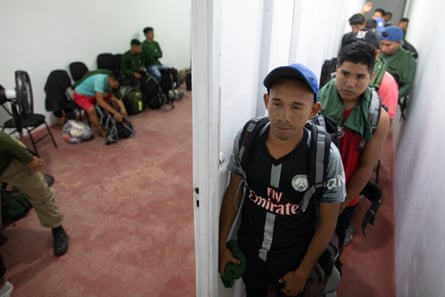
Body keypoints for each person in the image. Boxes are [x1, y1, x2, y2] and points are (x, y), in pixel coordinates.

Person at [219, 63, 346, 297]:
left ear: (314, 110)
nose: (284, 117)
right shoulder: (248, 138)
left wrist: (302, 272)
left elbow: (329, 222)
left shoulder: (324, 156)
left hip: (294, 258)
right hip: (250, 251)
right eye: (277, 103)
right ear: (266, 101)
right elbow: (234, 191)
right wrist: (221, 245)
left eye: (297, 106)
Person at [319, 41, 390, 255]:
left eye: (360, 77)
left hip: (345, 195)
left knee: (330, 247)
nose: (350, 83)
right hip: (309, 190)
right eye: (345, 73)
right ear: (336, 70)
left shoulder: (378, 116)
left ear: (371, 77)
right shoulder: (316, 100)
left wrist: (340, 205)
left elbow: (366, 166)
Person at [0, 131, 69, 257]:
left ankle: (57, 228)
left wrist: (28, 158)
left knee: (39, 194)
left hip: (9, 160)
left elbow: (4, 139)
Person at [342, 29, 399, 119]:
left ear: (377, 54)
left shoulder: (386, 82)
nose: (356, 52)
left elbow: (385, 119)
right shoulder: (338, 71)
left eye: (363, 50)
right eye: (353, 47)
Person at [72, 71, 127, 137]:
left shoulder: (111, 80)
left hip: (94, 94)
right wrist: (115, 113)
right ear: (110, 79)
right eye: (115, 85)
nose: (116, 87)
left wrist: (122, 107)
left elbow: (116, 97)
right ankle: (100, 130)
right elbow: (100, 101)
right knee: (91, 110)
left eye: (117, 86)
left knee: (113, 100)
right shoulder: (99, 80)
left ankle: (114, 121)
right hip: (81, 95)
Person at [380, 26, 417, 99]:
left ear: (399, 43)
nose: (383, 48)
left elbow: (407, 86)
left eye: (388, 45)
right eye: (382, 44)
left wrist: (392, 97)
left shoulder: (407, 60)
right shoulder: (378, 53)